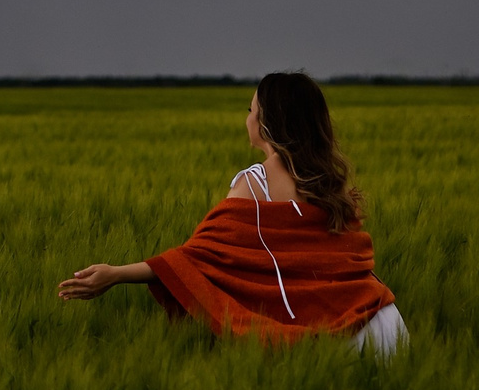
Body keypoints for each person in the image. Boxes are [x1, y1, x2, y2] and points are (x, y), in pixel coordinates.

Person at [56, 72, 407, 353]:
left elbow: (198, 259)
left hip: (321, 343)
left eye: (250, 110)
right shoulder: (329, 183)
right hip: (381, 324)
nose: (247, 118)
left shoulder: (253, 184)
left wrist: (116, 274)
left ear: (266, 123)